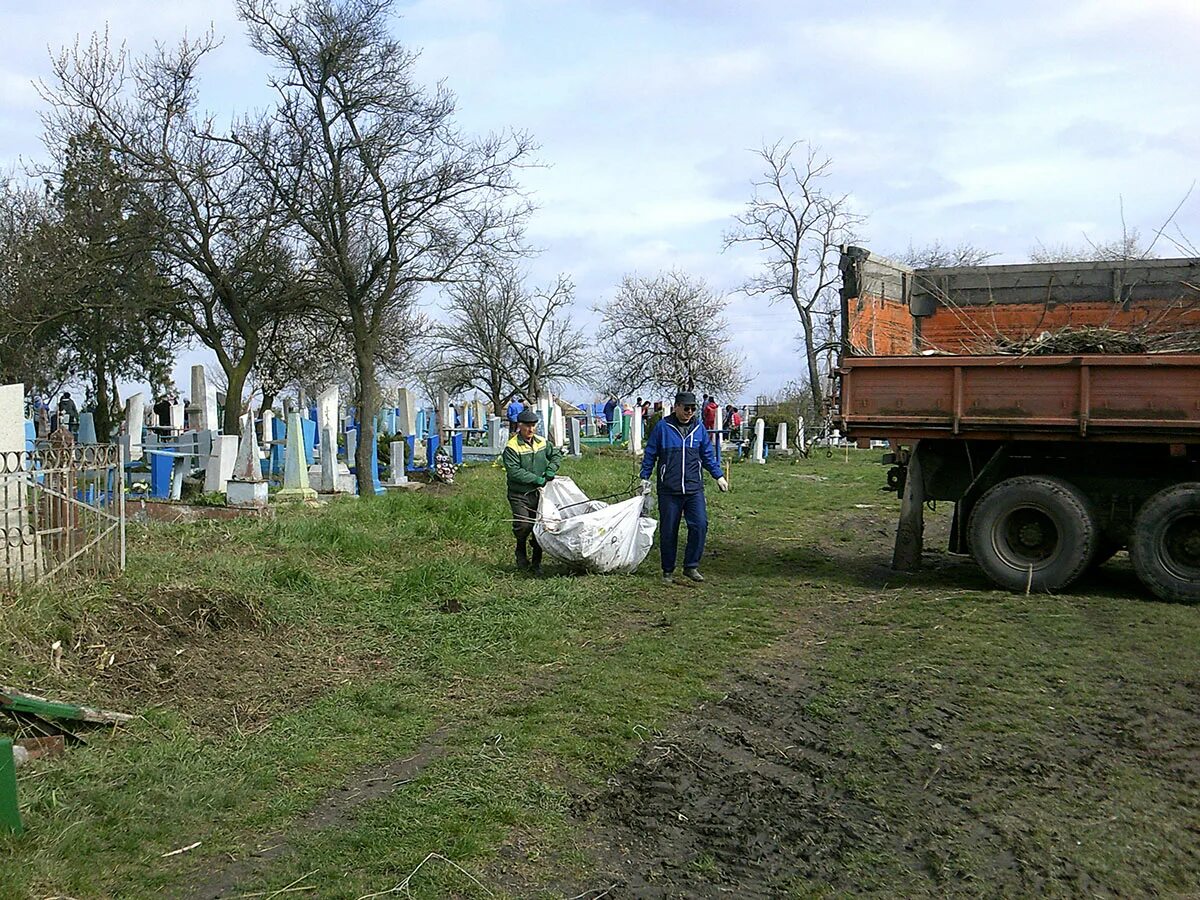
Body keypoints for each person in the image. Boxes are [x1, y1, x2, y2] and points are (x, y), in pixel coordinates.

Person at [640, 391, 729, 584]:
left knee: (700, 525)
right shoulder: (663, 428)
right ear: (677, 407)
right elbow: (650, 453)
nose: (690, 412)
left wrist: (718, 476)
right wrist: (644, 477)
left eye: (693, 408)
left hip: (693, 488)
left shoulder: (699, 429)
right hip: (669, 489)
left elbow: (707, 455)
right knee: (668, 530)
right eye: (686, 408)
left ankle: (691, 566)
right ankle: (668, 570)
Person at [503, 407, 563, 575]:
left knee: (541, 526)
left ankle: (537, 563)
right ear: (519, 426)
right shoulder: (512, 447)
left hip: (540, 493)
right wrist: (535, 479)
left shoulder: (542, 442)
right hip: (519, 493)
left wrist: (551, 469)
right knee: (523, 525)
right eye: (526, 426)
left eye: (533, 425)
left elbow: (556, 455)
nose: (530, 429)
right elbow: (514, 471)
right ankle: (520, 549)